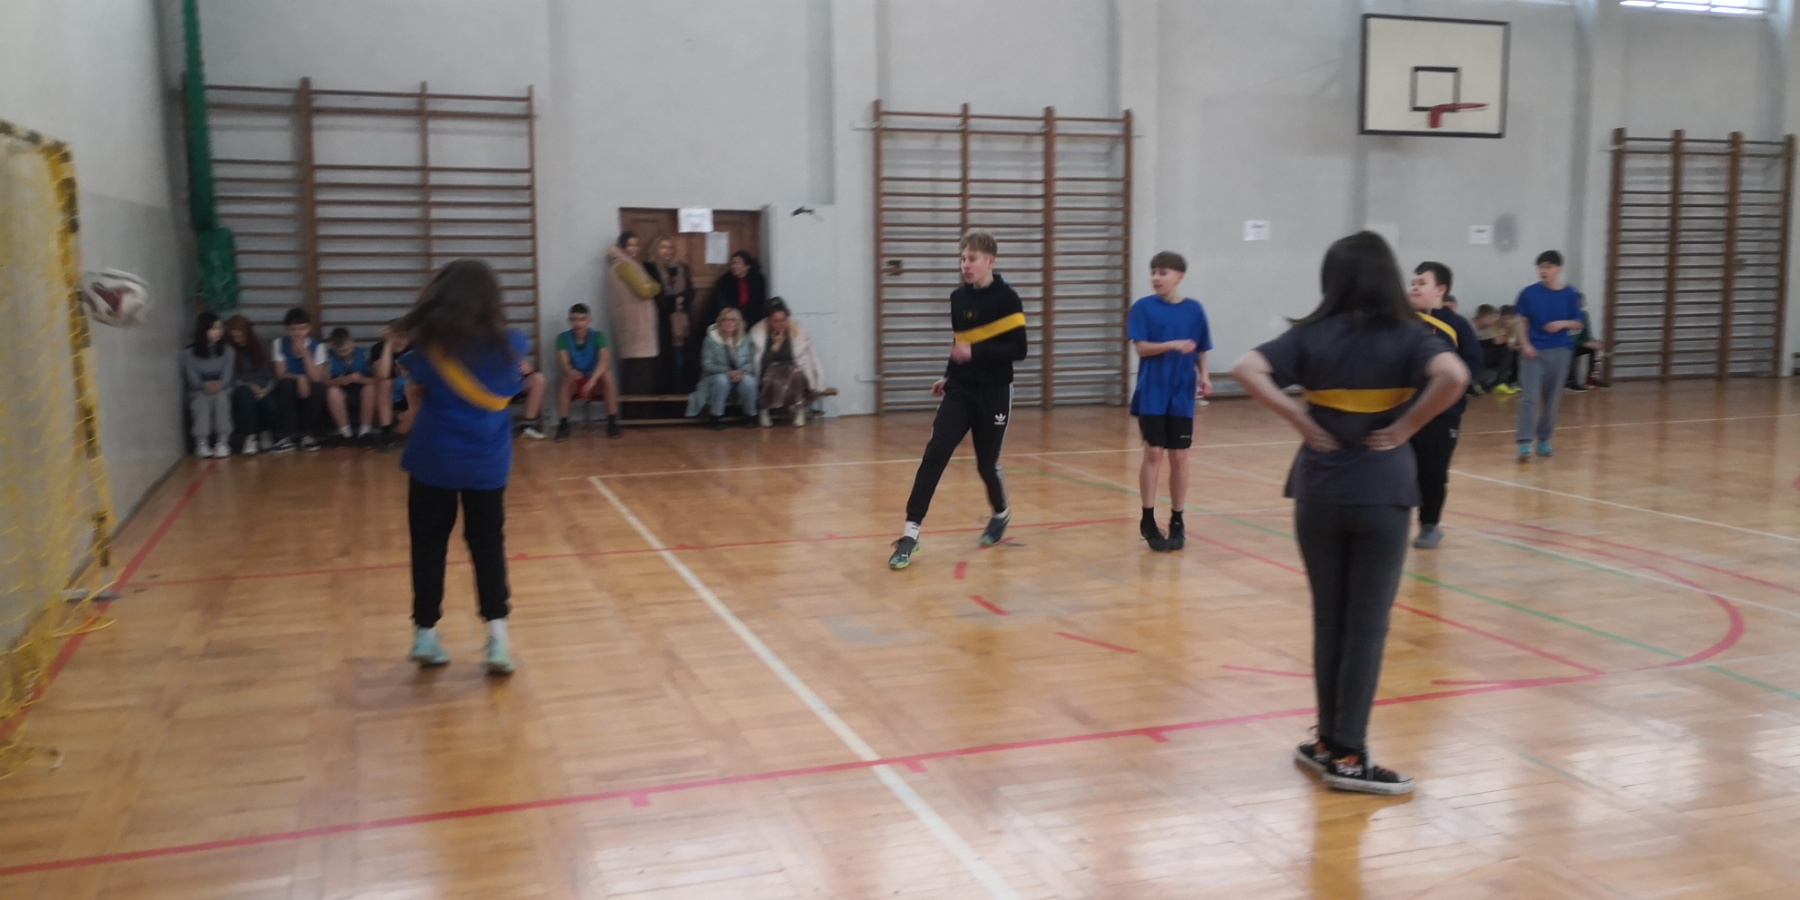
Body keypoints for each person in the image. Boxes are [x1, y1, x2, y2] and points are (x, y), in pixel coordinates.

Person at [1230, 231, 1466, 795]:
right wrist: (1406, 426)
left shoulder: (1310, 334)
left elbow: (1245, 368)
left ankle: (1327, 741)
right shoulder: (1411, 335)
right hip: (1382, 494)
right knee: (1366, 628)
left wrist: (1301, 420)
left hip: (1319, 492)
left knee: (1329, 621)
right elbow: (1455, 377)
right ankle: (1349, 754)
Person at [394, 259, 527, 676]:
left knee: (428, 545)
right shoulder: (513, 344)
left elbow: (411, 378)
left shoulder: (428, 348)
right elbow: (515, 381)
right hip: (486, 463)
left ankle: (425, 633)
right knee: (488, 546)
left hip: (433, 459)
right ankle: (498, 639)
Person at [888, 229, 1028, 570]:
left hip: (994, 392)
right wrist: (949, 375)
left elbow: (1019, 350)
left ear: (990, 261)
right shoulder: (958, 298)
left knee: (986, 465)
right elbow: (959, 342)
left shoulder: (1008, 299)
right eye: (963, 259)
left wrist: (974, 353)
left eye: (972, 259)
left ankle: (1001, 513)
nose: (965, 265)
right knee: (935, 454)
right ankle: (910, 534)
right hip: (960, 390)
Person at [1127, 251, 1212, 552]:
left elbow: (1201, 347)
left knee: (1179, 456)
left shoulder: (1194, 310)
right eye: (1153, 272)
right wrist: (1172, 344)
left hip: (1181, 393)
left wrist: (1204, 375)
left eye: (1162, 272)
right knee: (1153, 452)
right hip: (1153, 391)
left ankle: (1177, 519)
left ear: (1179, 276)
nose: (1156, 277)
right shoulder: (1143, 307)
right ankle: (1148, 518)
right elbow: (1141, 348)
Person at [1408, 263, 1483, 550]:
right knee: (1397, 469)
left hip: (1442, 414)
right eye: (1413, 282)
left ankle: (1429, 525)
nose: (1414, 287)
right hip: (1403, 411)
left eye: (1422, 282)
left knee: (1433, 472)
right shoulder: (1402, 321)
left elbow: (1472, 365)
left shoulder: (1457, 325)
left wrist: (1445, 386)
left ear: (1440, 289)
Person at [1512, 250, 1584, 462]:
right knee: (1529, 398)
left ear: (1559, 269)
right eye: (1541, 267)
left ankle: (1544, 439)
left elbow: (1578, 322)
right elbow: (1520, 322)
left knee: (1552, 401)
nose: (1543, 271)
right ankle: (1524, 442)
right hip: (1534, 353)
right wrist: (1525, 345)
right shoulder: (1528, 293)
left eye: (1548, 267)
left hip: (1560, 351)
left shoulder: (1570, 294)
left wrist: (1561, 324)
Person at [748, 297, 825, 428]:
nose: (780, 324)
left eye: (783, 320)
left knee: (794, 371)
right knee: (772, 373)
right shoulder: (757, 333)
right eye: (776, 321)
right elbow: (760, 363)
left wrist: (819, 380)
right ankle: (764, 409)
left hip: (792, 373)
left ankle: (799, 410)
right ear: (768, 320)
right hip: (768, 373)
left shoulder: (798, 332)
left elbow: (813, 357)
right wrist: (775, 345)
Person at [554, 303, 621, 440]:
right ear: (569, 321)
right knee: (565, 378)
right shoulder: (562, 338)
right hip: (575, 380)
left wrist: (592, 381)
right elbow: (563, 362)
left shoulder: (598, 336)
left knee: (608, 375)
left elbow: (605, 361)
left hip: (594, 381)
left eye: (582, 319)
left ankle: (612, 422)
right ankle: (563, 425)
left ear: (589, 320)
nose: (578, 323)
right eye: (574, 319)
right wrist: (570, 372)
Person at [687, 306, 759, 430]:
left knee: (750, 381)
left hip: (739, 376)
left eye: (733, 320)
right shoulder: (711, 340)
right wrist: (727, 372)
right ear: (720, 322)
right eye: (726, 320)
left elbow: (750, 363)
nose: (729, 323)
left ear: (738, 322)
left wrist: (741, 372)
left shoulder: (745, 339)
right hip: (715, 377)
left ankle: (750, 415)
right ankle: (715, 416)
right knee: (722, 380)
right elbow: (707, 365)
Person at [607, 232, 661, 395]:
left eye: (636, 245)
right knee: (639, 377)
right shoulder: (624, 266)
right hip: (636, 328)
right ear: (622, 247)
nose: (634, 249)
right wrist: (655, 287)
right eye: (630, 245)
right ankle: (639, 410)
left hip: (635, 327)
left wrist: (651, 285)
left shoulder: (630, 264)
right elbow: (645, 290)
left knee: (640, 374)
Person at [271, 307, 327, 452]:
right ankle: (288, 436)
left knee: (318, 388)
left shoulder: (318, 346)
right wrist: (300, 377)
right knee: (286, 384)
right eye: (294, 329)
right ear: (287, 329)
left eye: (302, 329)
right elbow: (280, 373)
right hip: (289, 387)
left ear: (309, 328)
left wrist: (304, 353)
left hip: (310, 388)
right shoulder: (279, 343)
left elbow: (317, 377)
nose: (298, 333)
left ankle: (306, 435)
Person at [646, 236, 697, 391]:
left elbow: (690, 291)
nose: (667, 251)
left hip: (682, 322)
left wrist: (683, 300)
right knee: (665, 362)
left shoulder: (681, 268)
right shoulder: (650, 268)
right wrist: (672, 302)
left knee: (682, 360)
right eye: (663, 247)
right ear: (656, 250)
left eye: (670, 247)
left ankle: (683, 392)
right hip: (662, 320)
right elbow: (653, 295)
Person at [183, 311, 237, 459]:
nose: (218, 332)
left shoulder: (228, 352)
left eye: (220, 328)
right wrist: (204, 386)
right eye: (213, 328)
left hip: (223, 389)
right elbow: (192, 379)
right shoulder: (188, 354)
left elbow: (227, 377)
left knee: (221, 398)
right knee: (201, 400)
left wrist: (217, 385)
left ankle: (222, 443)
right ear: (203, 330)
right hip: (198, 391)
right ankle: (201, 443)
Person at [225, 315, 277, 455]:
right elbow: (231, 377)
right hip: (241, 387)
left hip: (264, 387)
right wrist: (249, 386)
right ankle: (250, 437)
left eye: (240, 335)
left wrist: (265, 390)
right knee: (245, 396)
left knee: (270, 405)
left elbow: (272, 376)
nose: (237, 339)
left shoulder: (263, 347)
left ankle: (265, 432)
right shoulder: (229, 351)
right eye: (234, 336)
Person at [324, 327, 377, 445]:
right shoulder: (328, 356)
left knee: (370, 389)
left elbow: (378, 380)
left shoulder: (366, 354)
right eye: (339, 351)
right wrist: (338, 381)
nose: (343, 354)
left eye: (346, 349)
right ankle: (345, 433)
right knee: (332, 392)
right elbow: (324, 381)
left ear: (353, 342)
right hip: (340, 388)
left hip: (363, 386)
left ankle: (365, 432)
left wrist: (361, 379)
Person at [700, 250, 768, 336]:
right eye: (732, 263)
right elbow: (720, 302)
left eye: (737, 263)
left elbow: (759, 303)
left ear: (747, 266)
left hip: (751, 319)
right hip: (730, 318)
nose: (733, 266)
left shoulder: (758, 280)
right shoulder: (725, 280)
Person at [372, 321, 412, 453]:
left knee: (414, 383)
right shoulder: (378, 348)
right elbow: (383, 374)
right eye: (396, 336)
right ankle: (386, 434)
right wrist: (388, 345)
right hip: (391, 392)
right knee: (384, 383)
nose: (401, 339)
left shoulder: (414, 346)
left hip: (412, 390)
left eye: (403, 335)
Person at [1566, 292, 1605, 392]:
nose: (1584, 303)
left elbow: (1586, 334)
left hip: (1577, 345)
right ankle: (1570, 381)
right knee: (1570, 351)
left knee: (1593, 349)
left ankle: (1590, 380)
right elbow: (1565, 340)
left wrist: (1593, 342)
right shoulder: (1563, 316)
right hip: (1564, 347)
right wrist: (1584, 343)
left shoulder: (1584, 315)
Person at [1491, 304, 1521, 395]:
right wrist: (1508, 333)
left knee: (1519, 353)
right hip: (1496, 350)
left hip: (1511, 349)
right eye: (1505, 318)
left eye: (1510, 319)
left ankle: (1514, 381)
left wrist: (1518, 346)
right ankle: (1500, 382)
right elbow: (1498, 341)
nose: (1507, 321)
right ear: (1500, 317)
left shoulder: (1516, 326)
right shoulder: (1496, 325)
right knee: (1508, 351)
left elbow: (1515, 342)